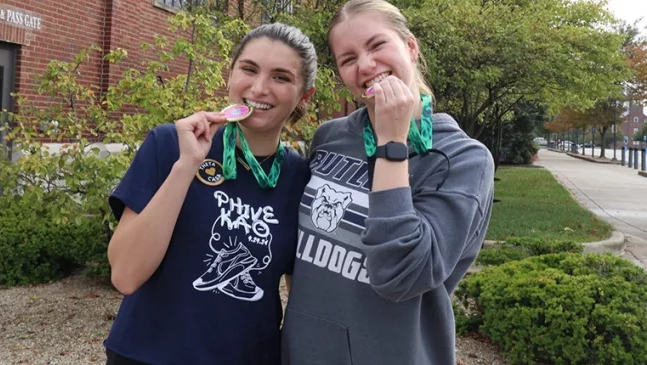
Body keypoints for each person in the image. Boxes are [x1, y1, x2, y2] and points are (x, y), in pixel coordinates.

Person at [281, 0, 495, 364]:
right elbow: (302, 253)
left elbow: (401, 275)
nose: (365, 65)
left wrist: (392, 144)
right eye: (348, 59)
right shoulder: (329, 137)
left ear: (410, 47)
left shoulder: (463, 159)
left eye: (377, 45)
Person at [104, 22, 316, 365]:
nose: (260, 88)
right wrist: (186, 166)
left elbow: (303, 300)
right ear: (229, 76)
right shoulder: (170, 145)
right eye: (249, 69)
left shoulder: (302, 178)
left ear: (304, 95)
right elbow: (125, 275)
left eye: (281, 77)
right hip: (147, 355)